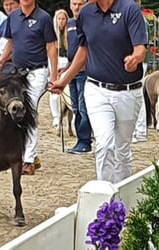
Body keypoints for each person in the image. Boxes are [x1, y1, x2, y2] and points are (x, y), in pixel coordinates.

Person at [49, 0, 148, 183]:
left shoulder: (129, 9)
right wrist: (64, 80)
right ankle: (106, 198)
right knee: (104, 144)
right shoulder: (86, 13)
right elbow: (83, 50)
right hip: (96, 89)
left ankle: (121, 198)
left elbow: (141, 48)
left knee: (122, 149)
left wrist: (135, 58)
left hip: (128, 91)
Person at [0, 0, 58, 175]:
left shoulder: (44, 18)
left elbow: (51, 47)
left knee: (30, 109)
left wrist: (54, 75)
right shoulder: (13, 17)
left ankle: (28, 159)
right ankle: (16, 153)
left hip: (37, 71)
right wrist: (2, 59)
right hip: (17, 71)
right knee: (12, 110)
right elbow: (10, 42)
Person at [64, 0, 92, 154]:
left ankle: (84, 140)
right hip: (72, 71)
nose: (76, 7)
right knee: (75, 107)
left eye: (80, 4)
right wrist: (67, 68)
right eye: (74, 4)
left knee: (83, 107)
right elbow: (73, 49)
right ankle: (80, 139)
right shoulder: (69, 24)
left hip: (84, 71)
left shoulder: (88, 22)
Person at [132, 0, 150, 144]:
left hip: (137, 59)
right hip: (138, 59)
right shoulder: (140, 16)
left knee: (136, 93)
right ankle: (141, 130)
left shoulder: (136, 16)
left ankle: (140, 129)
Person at [49, 9, 69, 129]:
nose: (61, 22)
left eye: (63, 19)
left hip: (67, 62)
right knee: (54, 91)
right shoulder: (52, 34)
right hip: (56, 60)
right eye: (59, 19)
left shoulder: (70, 33)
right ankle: (56, 115)